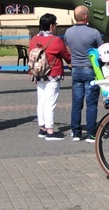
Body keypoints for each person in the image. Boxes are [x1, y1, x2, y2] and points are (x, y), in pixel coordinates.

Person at [30, 13, 72, 141]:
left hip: (38, 74)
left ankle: (42, 128)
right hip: (53, 74)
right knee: (50, 103)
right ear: (51, 26)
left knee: (41, 101)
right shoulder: (56, 40)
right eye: (55, 24)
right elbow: (67, 56)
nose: (56, 26)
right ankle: (50, 131)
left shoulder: (34, 39)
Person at [65, 5, 103, 143]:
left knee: (76, 102)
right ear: (86, 16)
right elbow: (101, 51)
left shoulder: (68, 32)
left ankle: (76, 132)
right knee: (91, 103)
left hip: (76, 68)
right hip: (90, 68)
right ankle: (91, 134)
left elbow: (68, 48)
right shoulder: (94, 33)